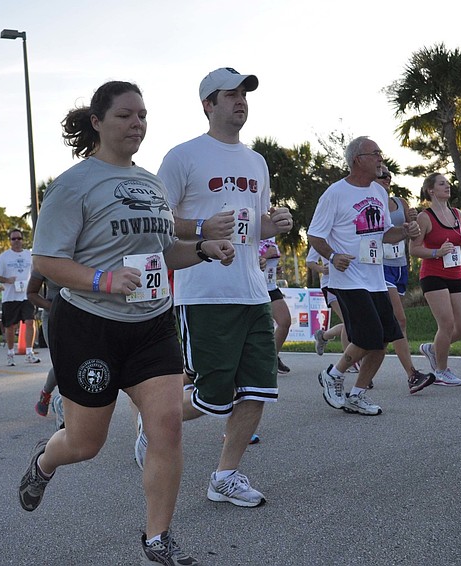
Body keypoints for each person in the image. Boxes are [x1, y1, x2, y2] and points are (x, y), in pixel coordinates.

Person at [19, 79, 234, 564]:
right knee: (85, 443)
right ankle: (44, 460)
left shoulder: (151, 184)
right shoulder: (73, 184)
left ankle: (157, 539)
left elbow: (164, 253)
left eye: (142, 115)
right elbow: (48, 260)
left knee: (168, 426)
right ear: (97, 122)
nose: (136, 123)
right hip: (91, 323)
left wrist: (202, 249)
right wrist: (101, 279)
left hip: (152, 323)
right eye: (124, 115)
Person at [155, 67, 293, 508]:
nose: (240, 101)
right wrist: (200, 227)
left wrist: (277, 223)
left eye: (244, 94)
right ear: (207, 105)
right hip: (204, 292)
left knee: (257, 390)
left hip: (253, 289)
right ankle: (153, 420)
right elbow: (158, 220)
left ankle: (225, 476)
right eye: (229, 94)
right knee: (214, 398)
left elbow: (256, 225)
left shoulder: (256, 162)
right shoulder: (183, 157)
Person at [307, 135, 421, 416]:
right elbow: (314, 235)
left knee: (383, 340)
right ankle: (334, 374)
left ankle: (357, 394)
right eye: (376, 153)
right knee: (369, 335)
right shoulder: (335, 193)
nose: (381, 158)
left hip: (375, 278)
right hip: (347, 279)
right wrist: (333, 256)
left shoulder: (379, 192)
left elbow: (384, 234)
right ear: (358, 160)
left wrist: (404, 231)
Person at [409, 173, 461, 386]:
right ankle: (441, 370)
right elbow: (414, 248)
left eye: (447, 183)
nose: (447, 186)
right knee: (446, 323)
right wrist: (436, 252)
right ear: (431, 190)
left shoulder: (457, 213)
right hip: (433, 275)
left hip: (455, 274)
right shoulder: (425, 217)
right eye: (442, 184)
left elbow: (458, 241)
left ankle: (432, 349)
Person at [375, 166, 435, 394]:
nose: (386, 179)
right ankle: (412, 374)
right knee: (399, 320)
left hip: (399, 266)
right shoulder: (370, 204)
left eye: (389, 176)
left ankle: (342, 370)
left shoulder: (399, 201)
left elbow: (412, 230)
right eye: (382, 176)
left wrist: (411, 221)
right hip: (380, 267)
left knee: (383, 327)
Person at [0, 228, 40, 365]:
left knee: (30, 322)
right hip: (10, 296)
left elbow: (37, 271)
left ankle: (29, 352)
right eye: (14, 239)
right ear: (10, 241)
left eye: (19, 238)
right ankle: (10, 353)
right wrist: (7, 280)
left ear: (22, 240)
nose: (17, 241)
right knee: (10, 326)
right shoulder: (4, 256)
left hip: (27, 295)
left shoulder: (29, 255)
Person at [27, 269, 60, 418]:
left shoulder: (85, 254)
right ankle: (46, 394)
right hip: (54, 316)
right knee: (61, 362)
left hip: (82, 315)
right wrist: (52, 306)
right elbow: (31, 293)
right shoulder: (44, 260)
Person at [306, 246, 348, 355]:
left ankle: (323, 336)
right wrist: (321, 269)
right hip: (329, 284)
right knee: (348, 323)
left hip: (349, 283)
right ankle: (350, 362)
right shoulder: (322, 238)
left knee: (354, 323)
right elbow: (310, 261)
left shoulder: (349, 234)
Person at [260, 238, 292, 374]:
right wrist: (264, 256)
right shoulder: (248, 227)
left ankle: (271, 358)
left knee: (285, 321)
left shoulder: (271, 235)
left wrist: (275, 268)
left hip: (270, 286)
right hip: (254, 287)